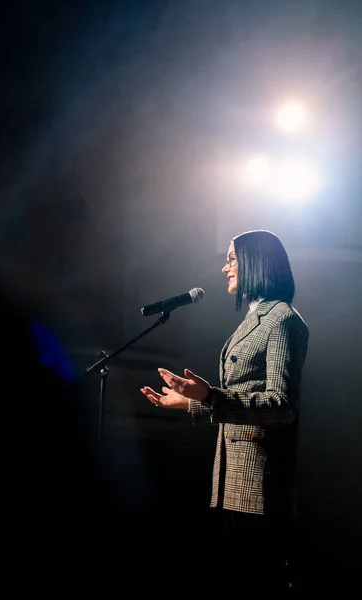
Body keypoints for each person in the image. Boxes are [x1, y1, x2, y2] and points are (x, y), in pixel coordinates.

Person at [140, 229, 309, 592]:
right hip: (232, 480)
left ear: (255, 261)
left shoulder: (282, 320)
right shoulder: (254, 320)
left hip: (260, 487)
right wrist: (191, 402)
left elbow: (282, 406)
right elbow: (239, 397)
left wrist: (211, 396)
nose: (224, 268)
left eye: (231, 259)